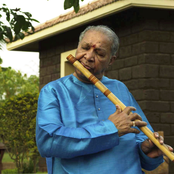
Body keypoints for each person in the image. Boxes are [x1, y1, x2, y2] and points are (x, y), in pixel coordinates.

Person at [36, 25, 173, 174]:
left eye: (99, 53)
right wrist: (110, 128)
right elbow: (48, 142)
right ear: (77, 48)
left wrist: (146, 152)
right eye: (85, 48)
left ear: (111, 60)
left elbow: (140, 142)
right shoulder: (53, 91)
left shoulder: (120, 89)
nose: (88, 57)